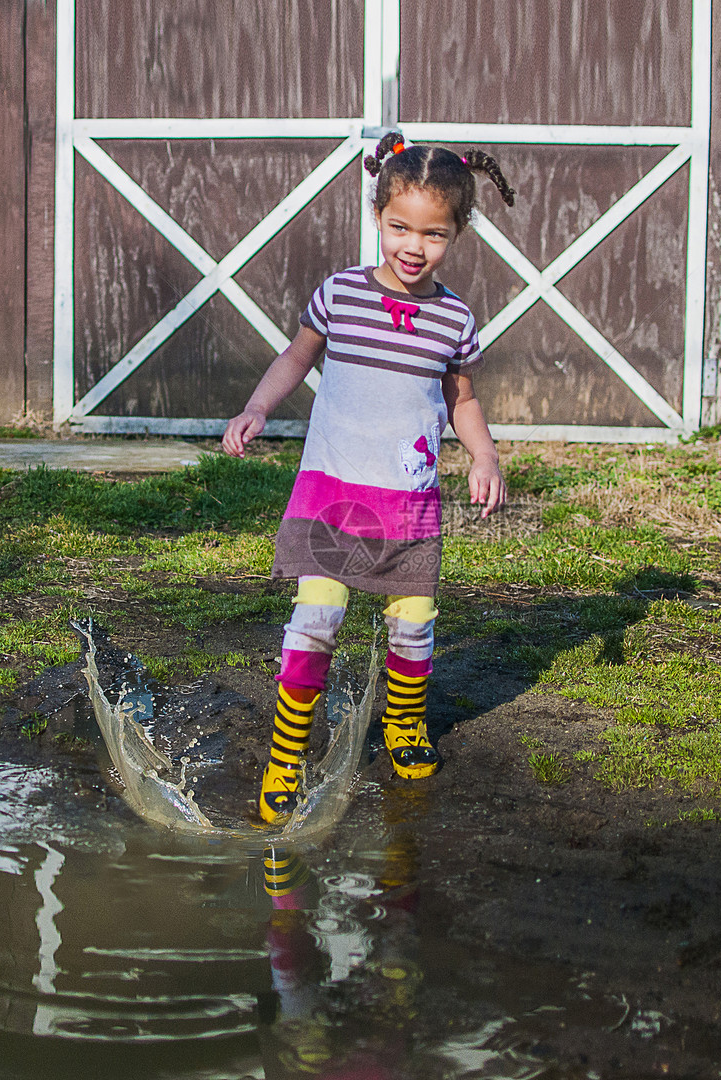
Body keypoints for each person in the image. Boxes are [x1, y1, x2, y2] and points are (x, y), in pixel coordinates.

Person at [222, 132, 515, 824]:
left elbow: (462, 400)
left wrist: (484, 455)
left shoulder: (453, 318)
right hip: (332, 491)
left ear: (458, 233)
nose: (414, 246)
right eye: (399, 227)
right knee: (316, 620)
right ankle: (287, 757)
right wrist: (257, 406)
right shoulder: (340, 296)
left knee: (413, 626)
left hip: (408, 500)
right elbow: (295, 359)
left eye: (434, 234)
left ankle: (404, 726)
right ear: (377, 216)